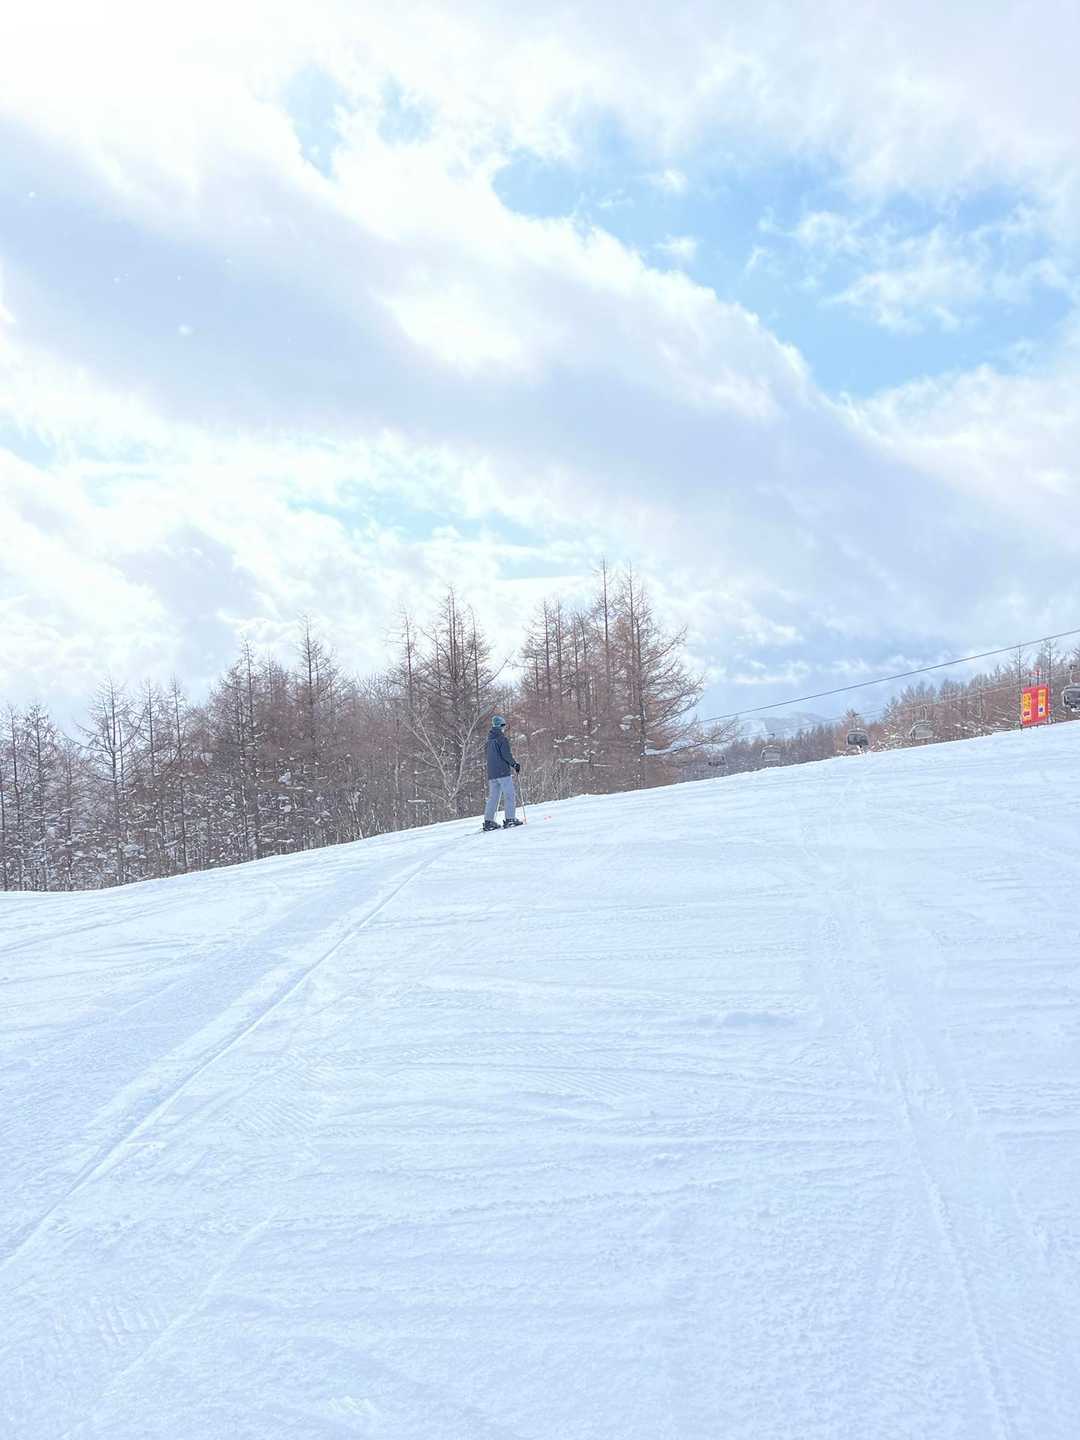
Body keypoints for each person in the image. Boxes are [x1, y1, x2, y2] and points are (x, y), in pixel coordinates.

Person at [482, 715, 522, 830]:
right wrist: (514, 764)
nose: (504, 727)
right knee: (509, 795)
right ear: (500, 725)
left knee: (493, 797)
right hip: (503, 772)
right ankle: (510, 819)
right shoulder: (501, 739)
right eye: (503, 725)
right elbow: (506, 754)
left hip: (492, 773)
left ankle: (488, 821)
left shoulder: (488, 740)